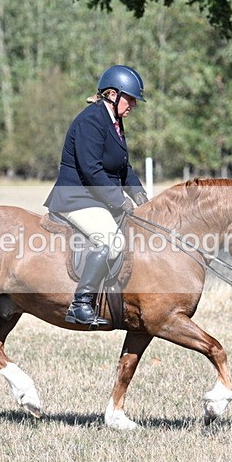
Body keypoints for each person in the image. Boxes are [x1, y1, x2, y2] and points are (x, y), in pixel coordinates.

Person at [44, 65, 150, 326]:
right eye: (131, 98)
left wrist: (141, 197)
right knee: (109, 241)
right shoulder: (91, 120)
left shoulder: (114, 122)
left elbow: (124, 167)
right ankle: (81, 304)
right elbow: (91, 169)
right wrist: (119, 200)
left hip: (96, 197)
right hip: (76, 198)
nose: (133, 105)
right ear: (112, 94)